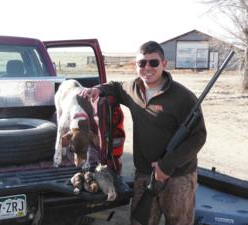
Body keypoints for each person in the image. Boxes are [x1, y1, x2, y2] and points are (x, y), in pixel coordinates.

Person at [79, 41, 207, 225]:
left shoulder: (183, 97)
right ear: (136, 65)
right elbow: (115, 86)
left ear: (164, 64)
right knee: (141, 221)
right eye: (142, 63)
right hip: (145, 173)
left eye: (153, 63)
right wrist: (98, 89)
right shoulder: (132, 88)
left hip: (178, 176)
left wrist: (167, 165)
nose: (147, 68)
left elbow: (198, 137)